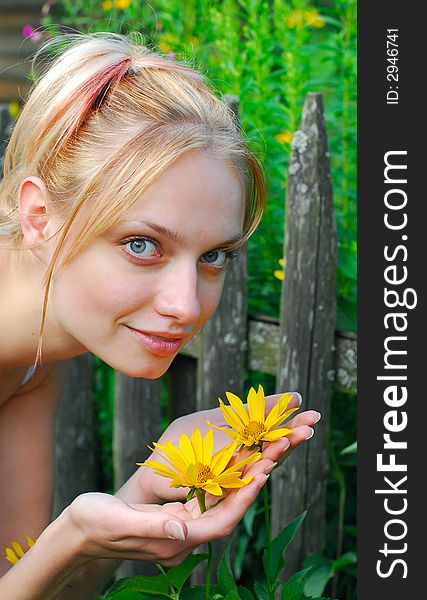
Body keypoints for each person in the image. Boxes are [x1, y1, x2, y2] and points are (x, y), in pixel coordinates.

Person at [0, 32, 320, 599]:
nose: (187, 305)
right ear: (39, 216)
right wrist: (70, 535)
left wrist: (138, 498)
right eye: (142, 244)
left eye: (214, 256)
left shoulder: (36, 358)